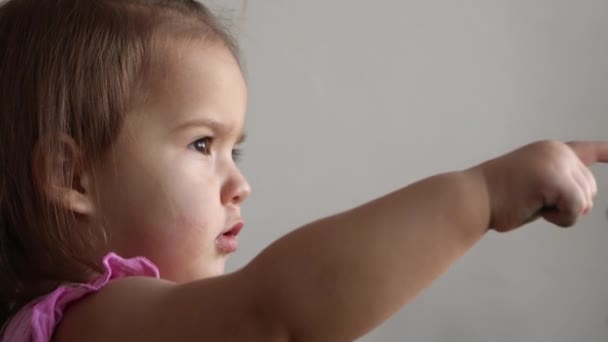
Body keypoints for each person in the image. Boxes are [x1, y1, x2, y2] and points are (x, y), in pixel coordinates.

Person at [0, 0, 606, 341]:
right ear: (71, 176)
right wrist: (481, 195)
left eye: (237, 152)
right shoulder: (89, 325)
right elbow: (277, 312)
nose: (240, 184)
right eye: (203, 145)